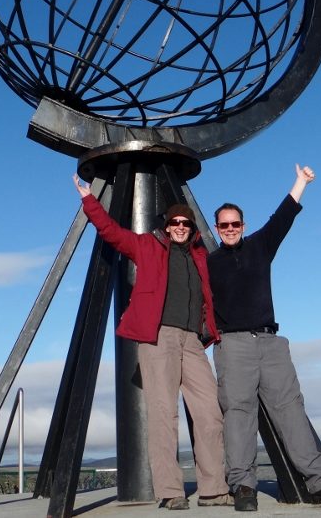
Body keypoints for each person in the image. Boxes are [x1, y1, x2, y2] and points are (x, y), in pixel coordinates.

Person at [72, 175, 231, 510]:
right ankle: (171, 492)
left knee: (210, 413)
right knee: (163, 415)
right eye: (175, 223)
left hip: (193, 340)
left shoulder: (199, 256)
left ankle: (214, 489)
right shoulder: (147, 246)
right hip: (159, 337)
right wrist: (89, 201)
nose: (180, 227)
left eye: (185, 223)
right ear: (167, 226)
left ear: (192, 228)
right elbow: (112, 233)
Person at [208, 164, 321, 511]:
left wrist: (300, 182)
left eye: (235, 224)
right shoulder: (208, 263)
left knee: (291, 411)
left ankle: (320, 482)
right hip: (233, 346)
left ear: (244, 226)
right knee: (238, 414)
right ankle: (243, 486)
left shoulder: (260, 246)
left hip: (270, 343)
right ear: (216, 228)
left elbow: (283, 217)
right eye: (224, 225)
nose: (230, 229)